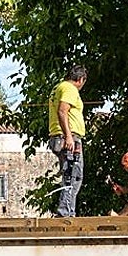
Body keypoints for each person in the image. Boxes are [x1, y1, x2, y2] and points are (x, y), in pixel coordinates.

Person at [47, 65, 88, 217]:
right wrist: (69, 136)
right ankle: (65, 213)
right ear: (81, 79)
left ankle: (68, 211)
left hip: (59, 136)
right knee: (73, 175)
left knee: (69, 174)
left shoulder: (58, 87)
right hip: (67, 138)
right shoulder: (70, 89)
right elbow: (62, 111)